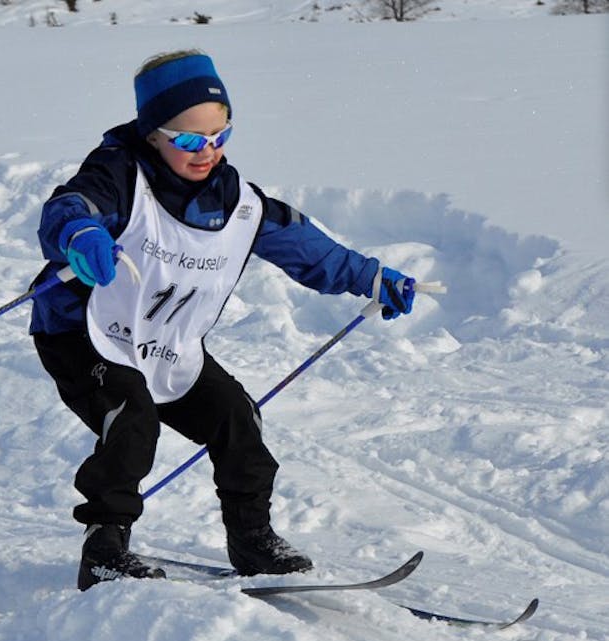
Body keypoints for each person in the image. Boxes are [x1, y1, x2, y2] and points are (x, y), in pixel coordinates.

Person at [28, 49, 417, 591]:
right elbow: (70, 206)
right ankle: (105, 546)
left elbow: (307, 249)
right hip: (83, 333)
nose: (206, 151)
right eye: (189, 140)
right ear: (152, 134)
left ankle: (251, 537)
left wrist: (373, 277)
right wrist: (80, 234)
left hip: (164, 342)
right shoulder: (117, 175)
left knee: (236, 416)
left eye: (220, 135)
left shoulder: (236, 203)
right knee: (131, 417)